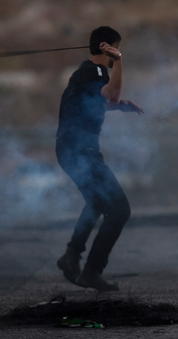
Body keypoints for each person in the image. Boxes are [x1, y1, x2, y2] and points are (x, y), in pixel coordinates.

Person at [55, 26, 143, 291]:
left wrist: (120, 106)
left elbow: (99, 101)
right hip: (82, 153)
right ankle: (91, 271)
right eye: (116, 47)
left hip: (70, 151)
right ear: (107, 47)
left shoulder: (83, 72)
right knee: (119, 211)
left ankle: (71, 257)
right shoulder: (96, 71)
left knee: (95, 203)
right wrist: (118, 60)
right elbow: (111, 94)